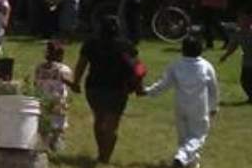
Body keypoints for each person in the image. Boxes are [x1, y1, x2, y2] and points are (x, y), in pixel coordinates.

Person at [70, 15, 139, 165]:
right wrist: (138, 86)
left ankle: (101, 153)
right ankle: (105, 158)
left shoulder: (91, 43)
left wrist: (76, 82)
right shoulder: (125, 45)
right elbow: (138, 68)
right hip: (117, 89)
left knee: (99, 120)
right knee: (111, 125)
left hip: (94, 88)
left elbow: (81, 65)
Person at [141, 35, 219, 168]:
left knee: (184, 137)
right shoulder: (206, 66)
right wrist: (213, 106)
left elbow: (164, 84)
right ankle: (181, 158)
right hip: (198, 107)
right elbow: (213, 89)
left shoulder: (175, 64)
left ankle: (192, 163)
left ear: (182, 50)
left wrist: (148, 91)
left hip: (180, 106)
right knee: (198, 135)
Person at [34, 40, 73, 152]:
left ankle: (45, 143)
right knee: (58, 125)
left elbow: (36, 83)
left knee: (44, 123)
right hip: (58, 100)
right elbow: (68, 81)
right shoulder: (63, 69)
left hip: (43, 99)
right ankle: (55, 143)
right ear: (60, 55)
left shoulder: (39, 68)